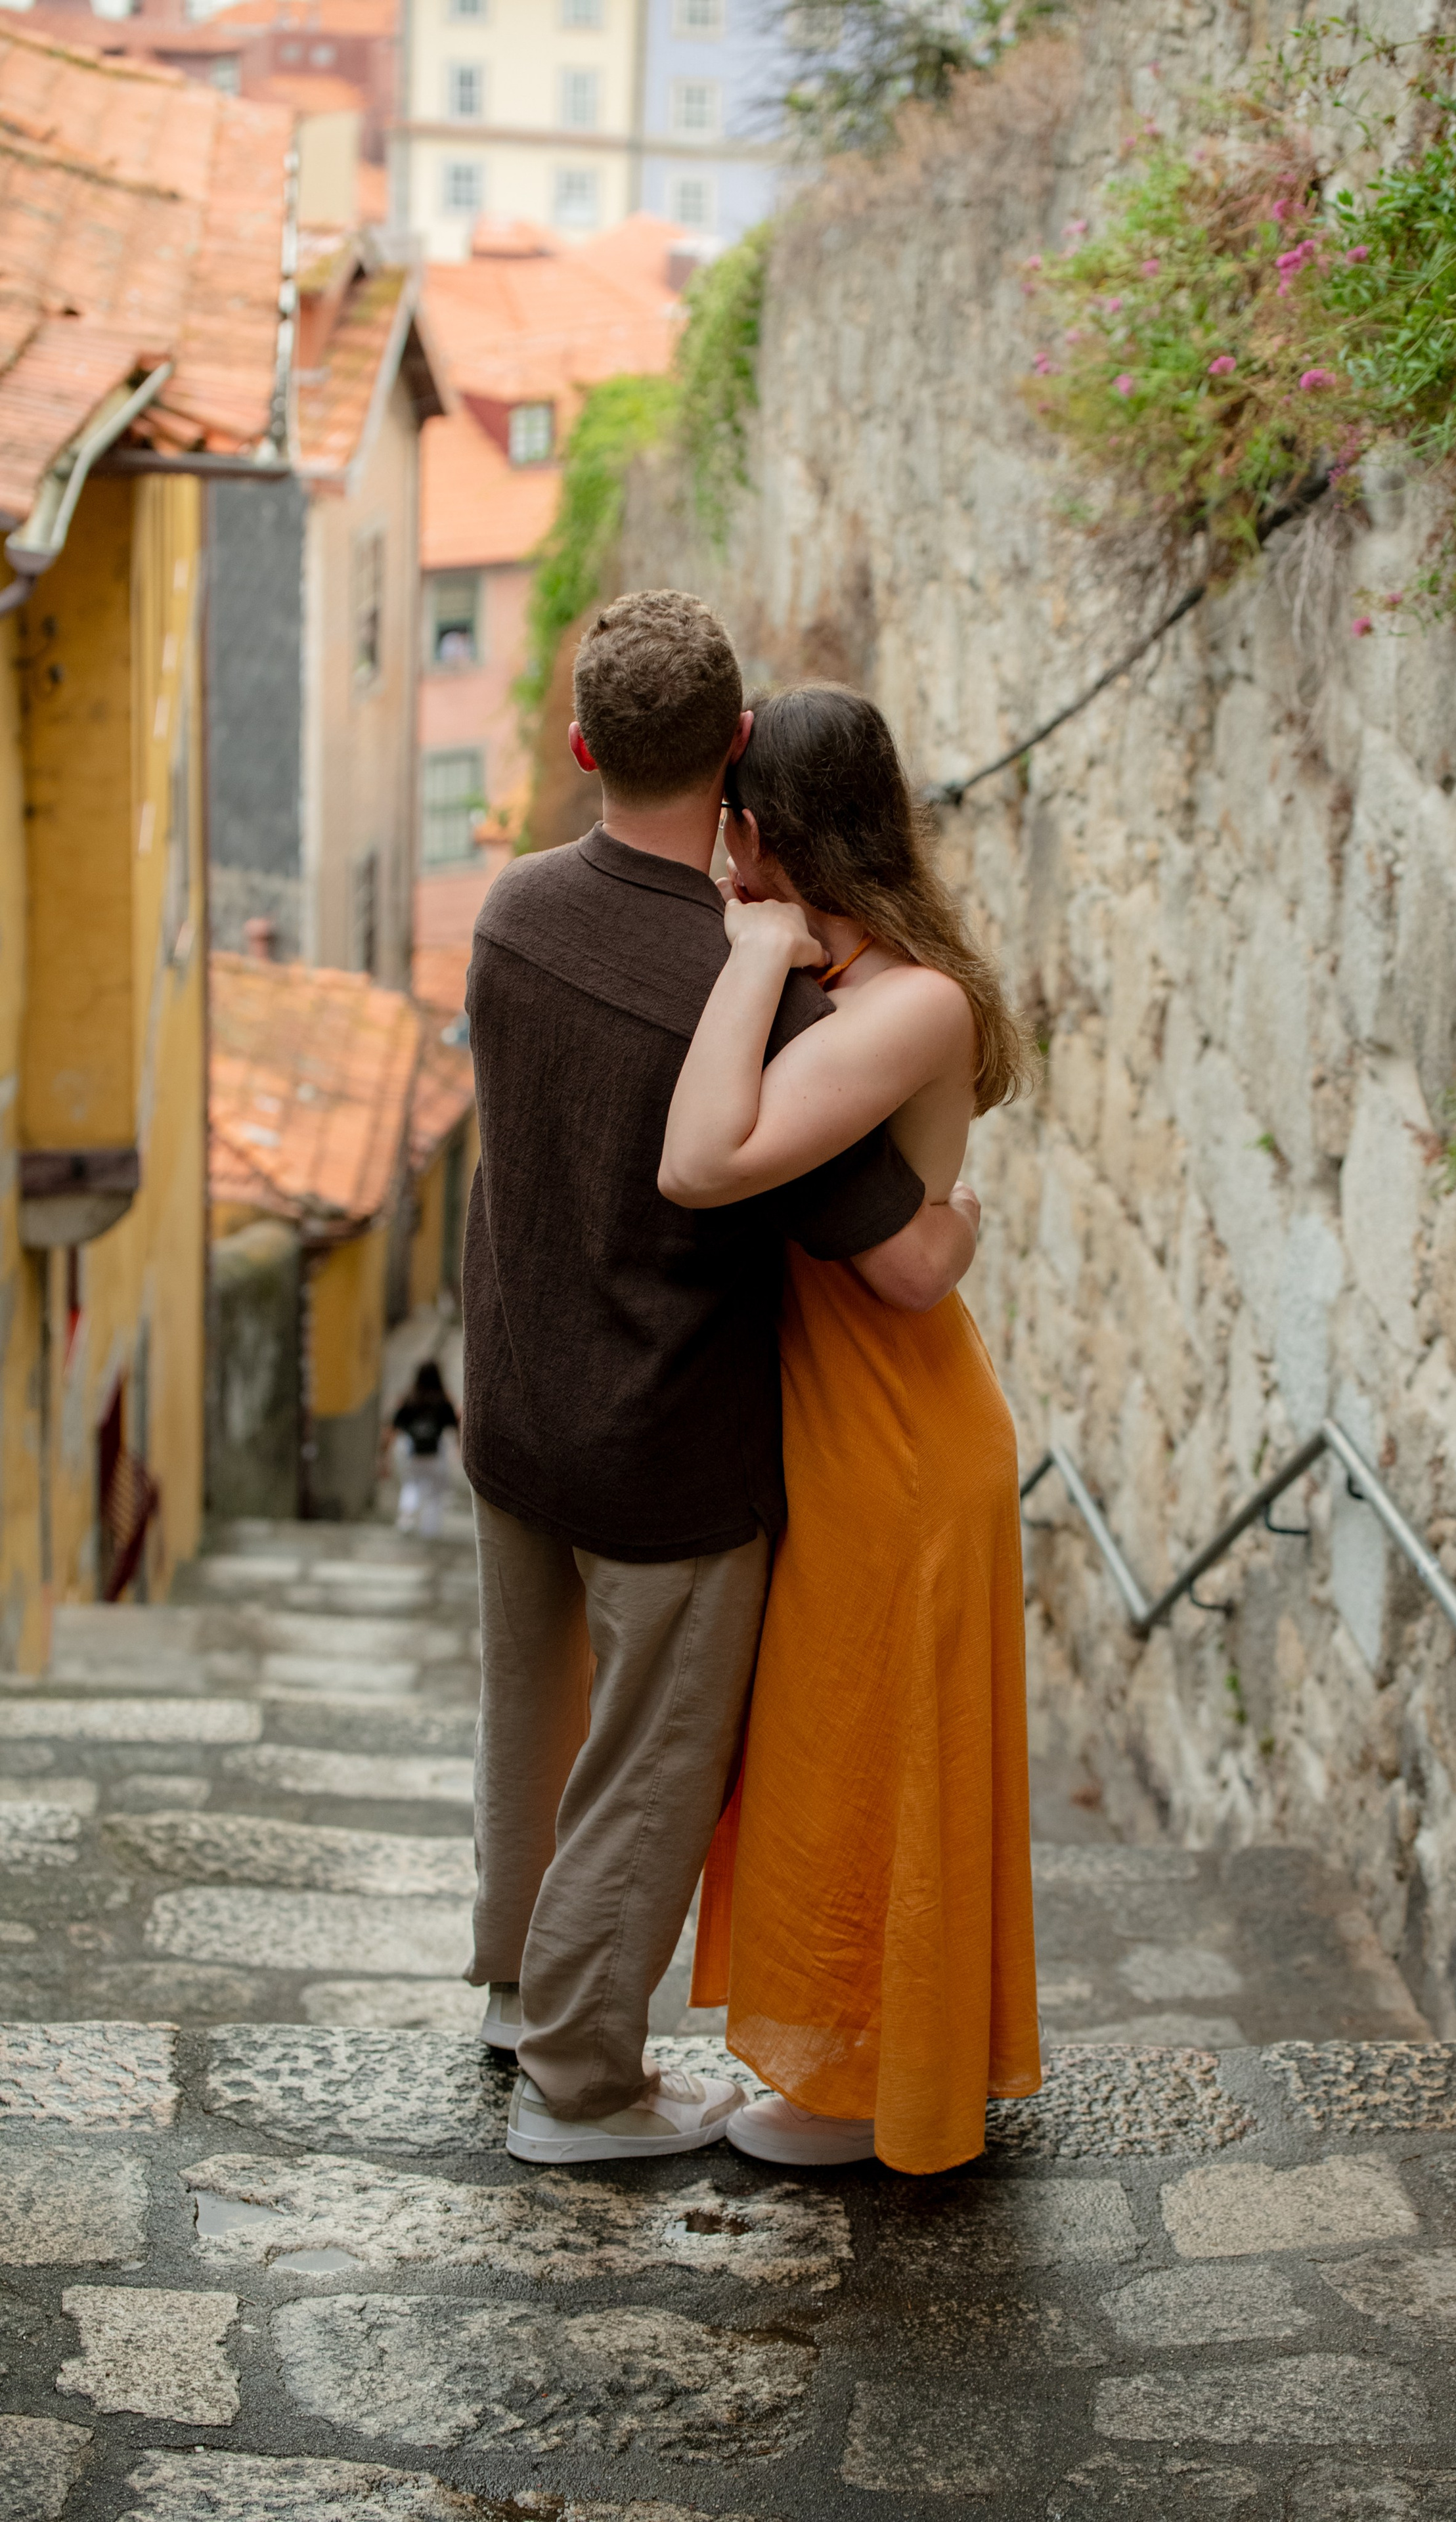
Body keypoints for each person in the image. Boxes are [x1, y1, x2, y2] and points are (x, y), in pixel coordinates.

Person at [460, 591, 980, 2166]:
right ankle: (579, 2083)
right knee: (644, 1765)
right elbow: (888, 1247)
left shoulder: (506, 912)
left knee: (526, 1727)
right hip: (662, 1445)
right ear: (736, 743)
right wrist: (954, 1220)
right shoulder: (750, 988)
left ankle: (510, 1987)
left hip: (514, 1409)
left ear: (579, 746)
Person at [659, 681, 1042, 2175]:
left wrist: (752, 950)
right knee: (826, 1746)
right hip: (843, 1420)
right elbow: (898, 1232)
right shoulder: (855, 970)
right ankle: (837, 2061)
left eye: (730, 829)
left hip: (897, 1437)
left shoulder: (911, 1000)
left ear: (763, 827)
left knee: (867, 1754)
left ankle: (870, 2084)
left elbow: (704, 1156)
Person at [389, 1360, 459, 1538]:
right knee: (435, 1496)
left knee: (411, 1485)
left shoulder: (409, 1398)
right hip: (435, 1454)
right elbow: (455, 1426)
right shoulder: (443, 1400)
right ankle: (430, 1531)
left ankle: (406, 1518)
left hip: (412, 1452)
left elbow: (395, 1425)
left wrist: (383, 1455)